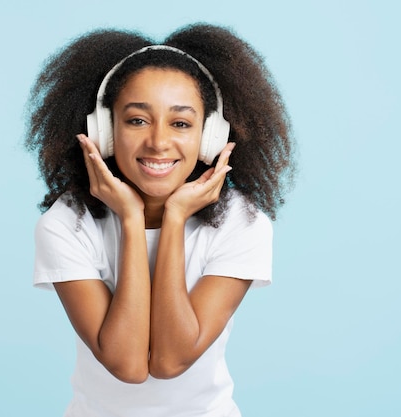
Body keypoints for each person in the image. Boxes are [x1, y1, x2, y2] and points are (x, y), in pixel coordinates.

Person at [25, 22, 295, 417]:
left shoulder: (243, 223)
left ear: (211, 136)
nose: (158, 142)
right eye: (137, 120)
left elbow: (170, 360)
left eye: (181, 123)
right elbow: (129, 365)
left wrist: (174, 219)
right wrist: (132, 221)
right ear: (105, 132)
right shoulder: (68, 223)